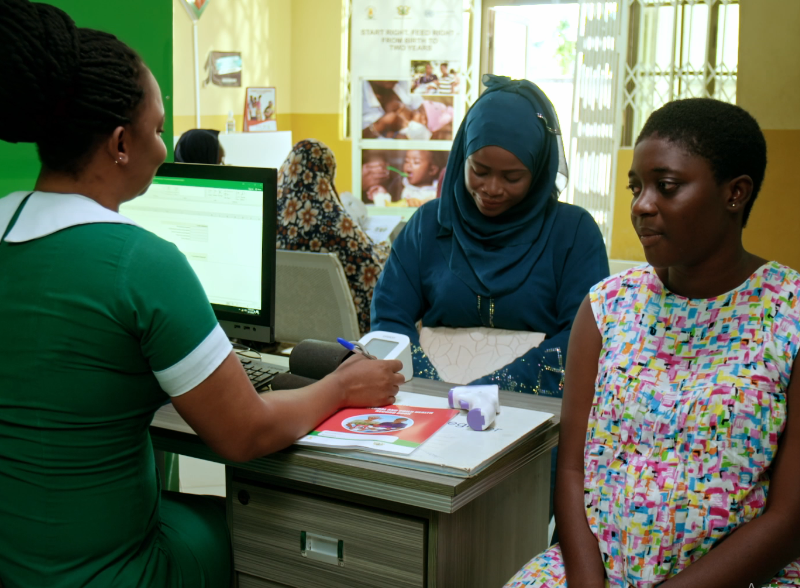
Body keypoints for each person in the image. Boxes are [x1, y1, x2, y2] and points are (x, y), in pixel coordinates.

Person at [0, 3, 404, 587]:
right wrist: (340, 385)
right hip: (114, 574)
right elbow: (245, 432)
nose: (164, 147)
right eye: (158, 128)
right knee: (252, 528)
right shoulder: (141, 263)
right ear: (120, 142)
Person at [504, 99, 800, 587]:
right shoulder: (607, 308)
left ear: (735, 194)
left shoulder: (788, 314)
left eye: (666, 187)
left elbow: (791, 517)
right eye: (636, 188)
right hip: (597, 569)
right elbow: (574, 470)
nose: (642, 205)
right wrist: (584, 579)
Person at [371, 75, 609, 395]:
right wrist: (431, 384)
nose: (492, 189)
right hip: (432, 404)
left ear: (538, 171)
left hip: (537, 413)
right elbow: (389, 317)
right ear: (460, 159)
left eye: (513, 177)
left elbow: (585, 335)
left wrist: (497, 386)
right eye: (479, 171)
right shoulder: (429, 224)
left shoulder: (574, 233)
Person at [276, 139, 389, 335]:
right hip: (333, 332)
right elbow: (370, 268)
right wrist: (384, 247)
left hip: (280, 330)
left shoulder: (266, 217)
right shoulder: (335, 223)